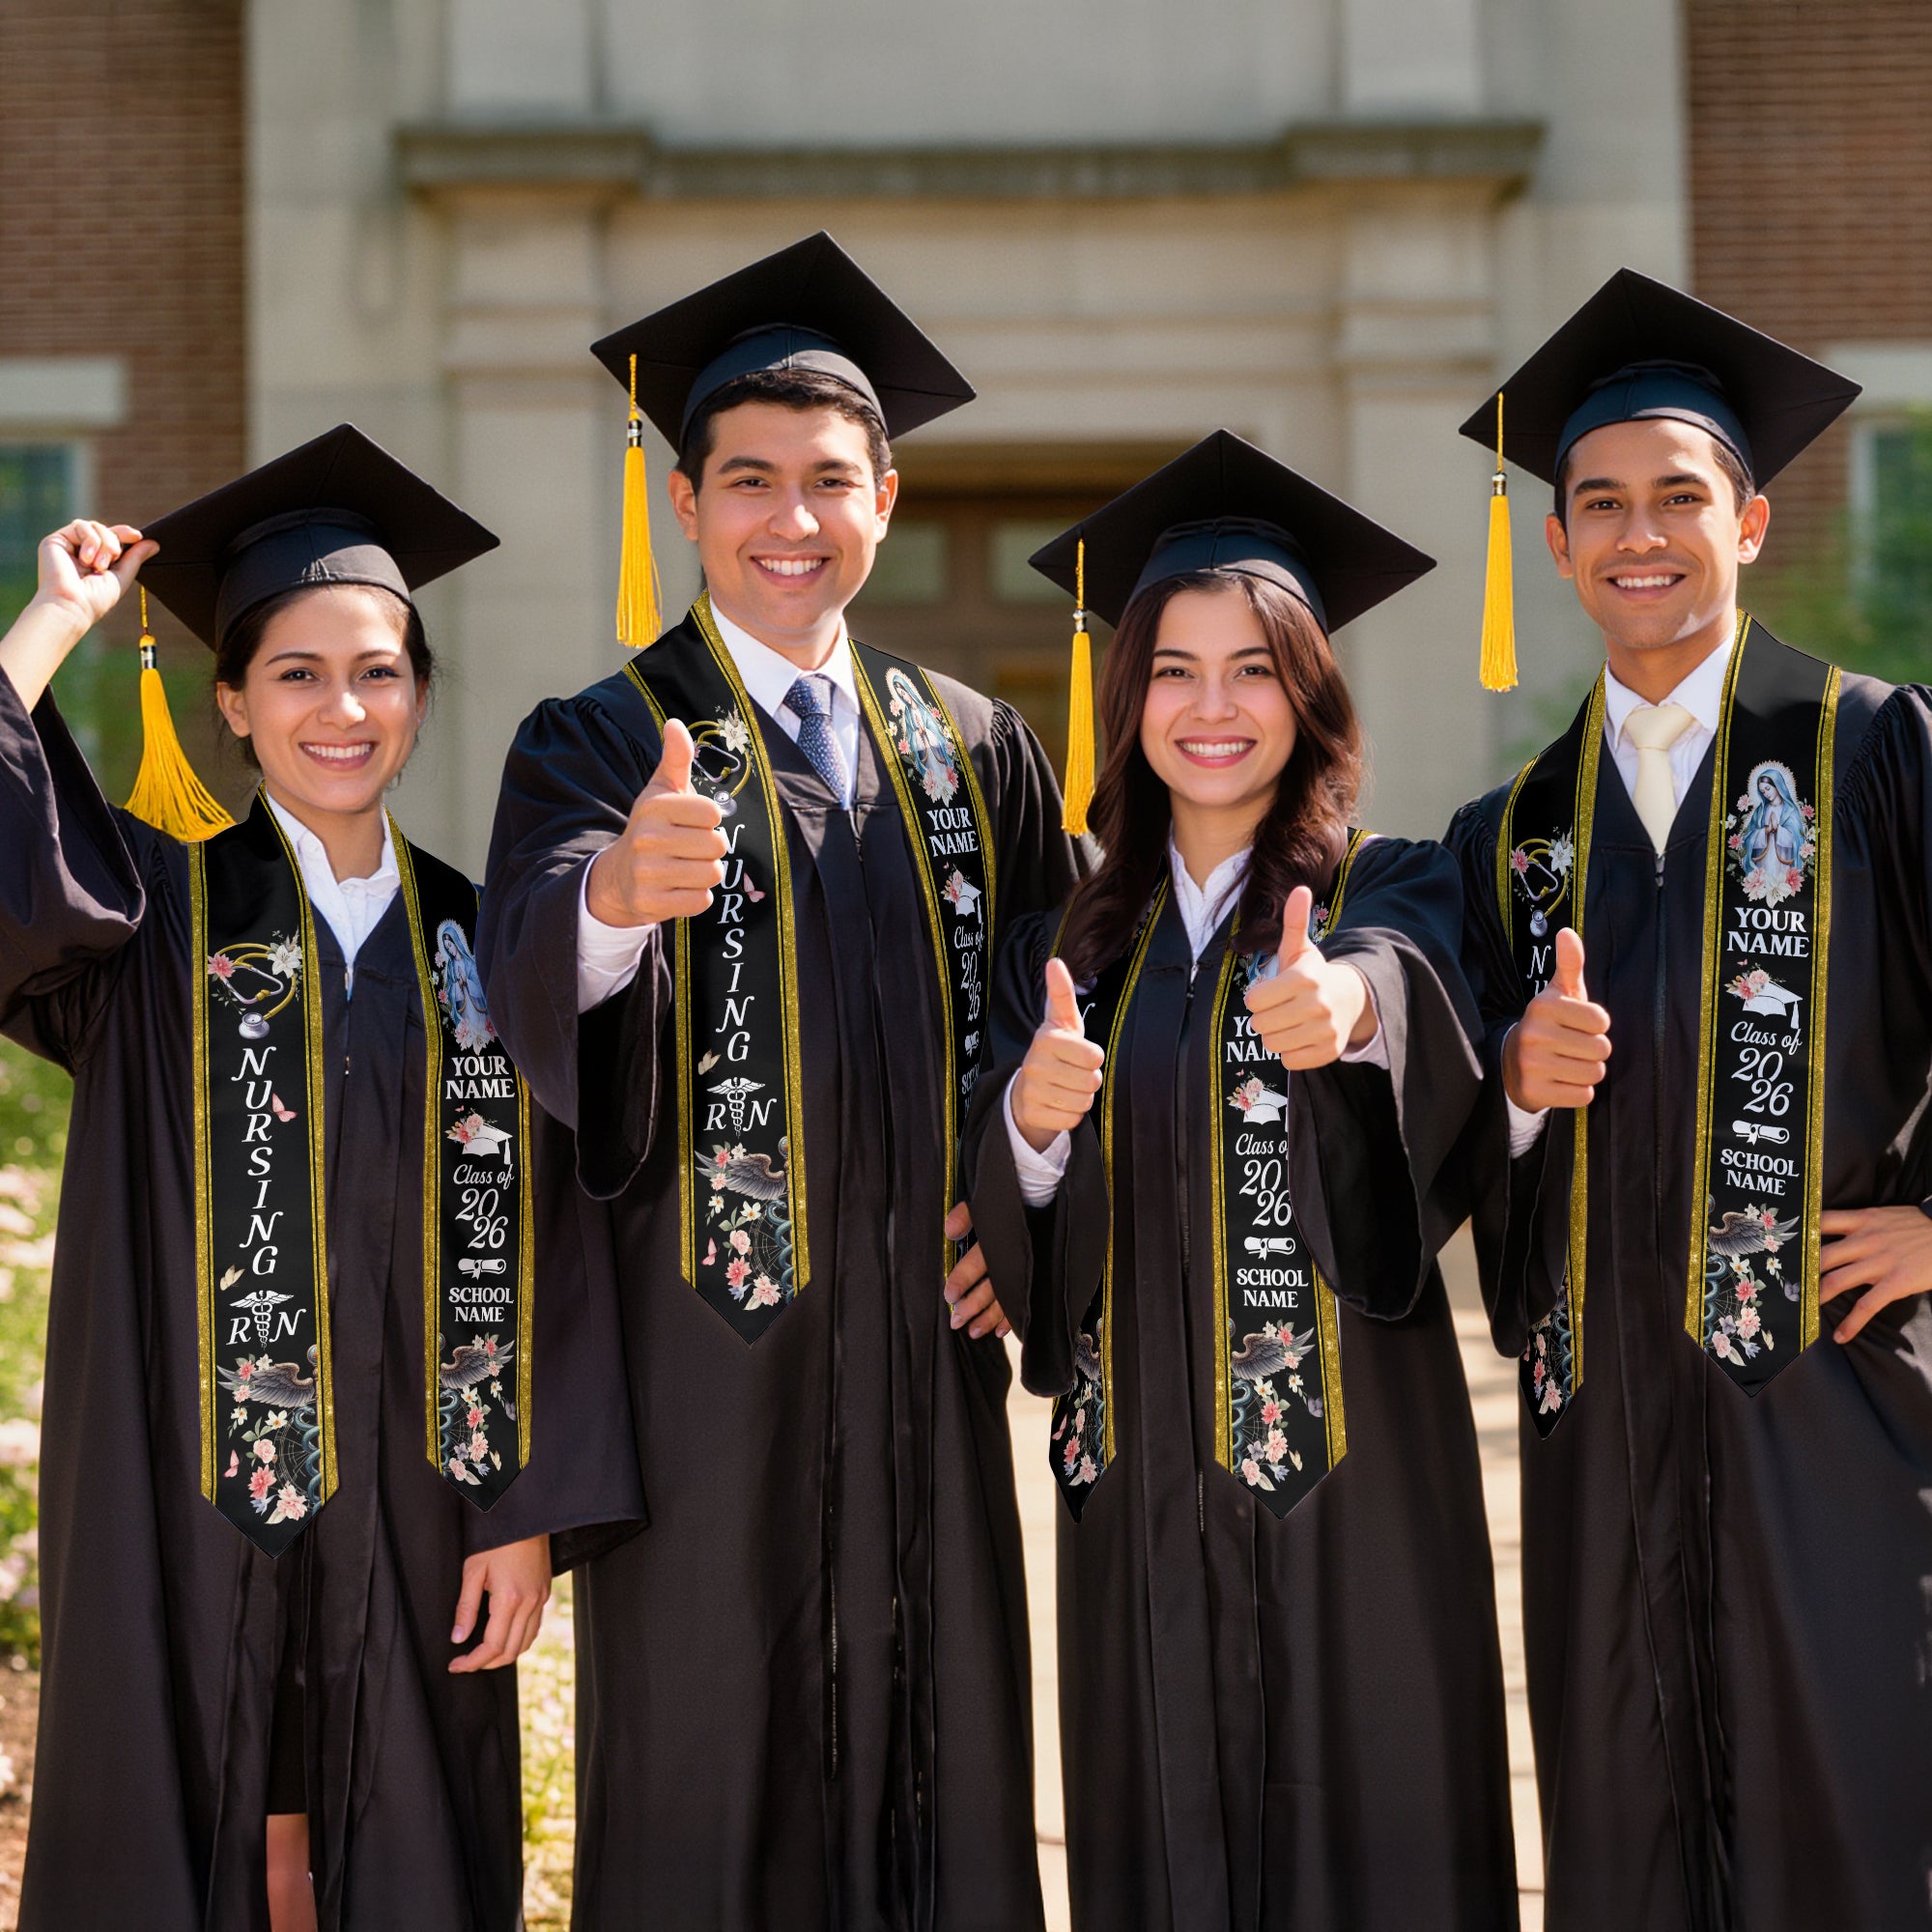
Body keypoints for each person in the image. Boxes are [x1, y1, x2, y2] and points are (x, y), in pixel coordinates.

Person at [478, 233, 1083, 1930]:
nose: (791, 519)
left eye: (831, 481)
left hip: (924, 1371)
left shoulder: (975, 745)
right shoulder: (600, 739)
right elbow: (529, 967)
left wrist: (1024, 1208)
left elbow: (1075, 1011)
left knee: (942, 1773)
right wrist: (611, 900)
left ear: (886, 497)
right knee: (708, 1789)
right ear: (686, 502)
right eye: (750, 481)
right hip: (706, 1381)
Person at [0, 426, 641, 1932]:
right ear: (230, 701)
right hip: (182, 1491)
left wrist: (528, 1508)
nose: (340, 708)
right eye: (295, 673)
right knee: (194, 1816)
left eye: (378, 671)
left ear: (420, 694)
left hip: (427, 1506)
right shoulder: (151, 920)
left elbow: (563, 1237)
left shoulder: (495, 944)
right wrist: (51, 624)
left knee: (407, 1839)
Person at [962, 432, 1519, 1931]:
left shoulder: (1388, 886)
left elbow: (1410, 989)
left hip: (1359, 1489)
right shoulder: (1065, 947)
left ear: (1311, 693)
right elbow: (1017, 1222)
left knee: (1378, 1845)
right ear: (1127, 696)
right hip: (1137, 1482)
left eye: (1256, 668)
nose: (1214, 708)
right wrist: (1026, 1120)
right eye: (1175, 670)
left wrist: (1346, 1014)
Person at [1446, 270, 1932, 1930]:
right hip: (1606, 1443)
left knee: (1854, 1815)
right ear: (1561, 543)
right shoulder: (1514, 833)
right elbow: (1444, 1134)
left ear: (1752, 521)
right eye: (1599, 505)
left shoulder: (1875, 752)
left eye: (1677, 497)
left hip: (1838, 1412)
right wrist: (1511, 1087)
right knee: (1624, 1830)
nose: (1637, 534)